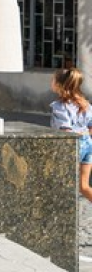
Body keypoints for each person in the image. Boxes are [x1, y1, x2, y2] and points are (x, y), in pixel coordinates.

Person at [50, 67, 92, 202]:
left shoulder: (59, 106)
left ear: (59, 85)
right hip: (89, 146)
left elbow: (66, 131)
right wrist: (84, 134)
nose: (51, 82)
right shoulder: (86, 104)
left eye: (53, 79)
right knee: (84, 187)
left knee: (59, 185)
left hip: (73, 146)